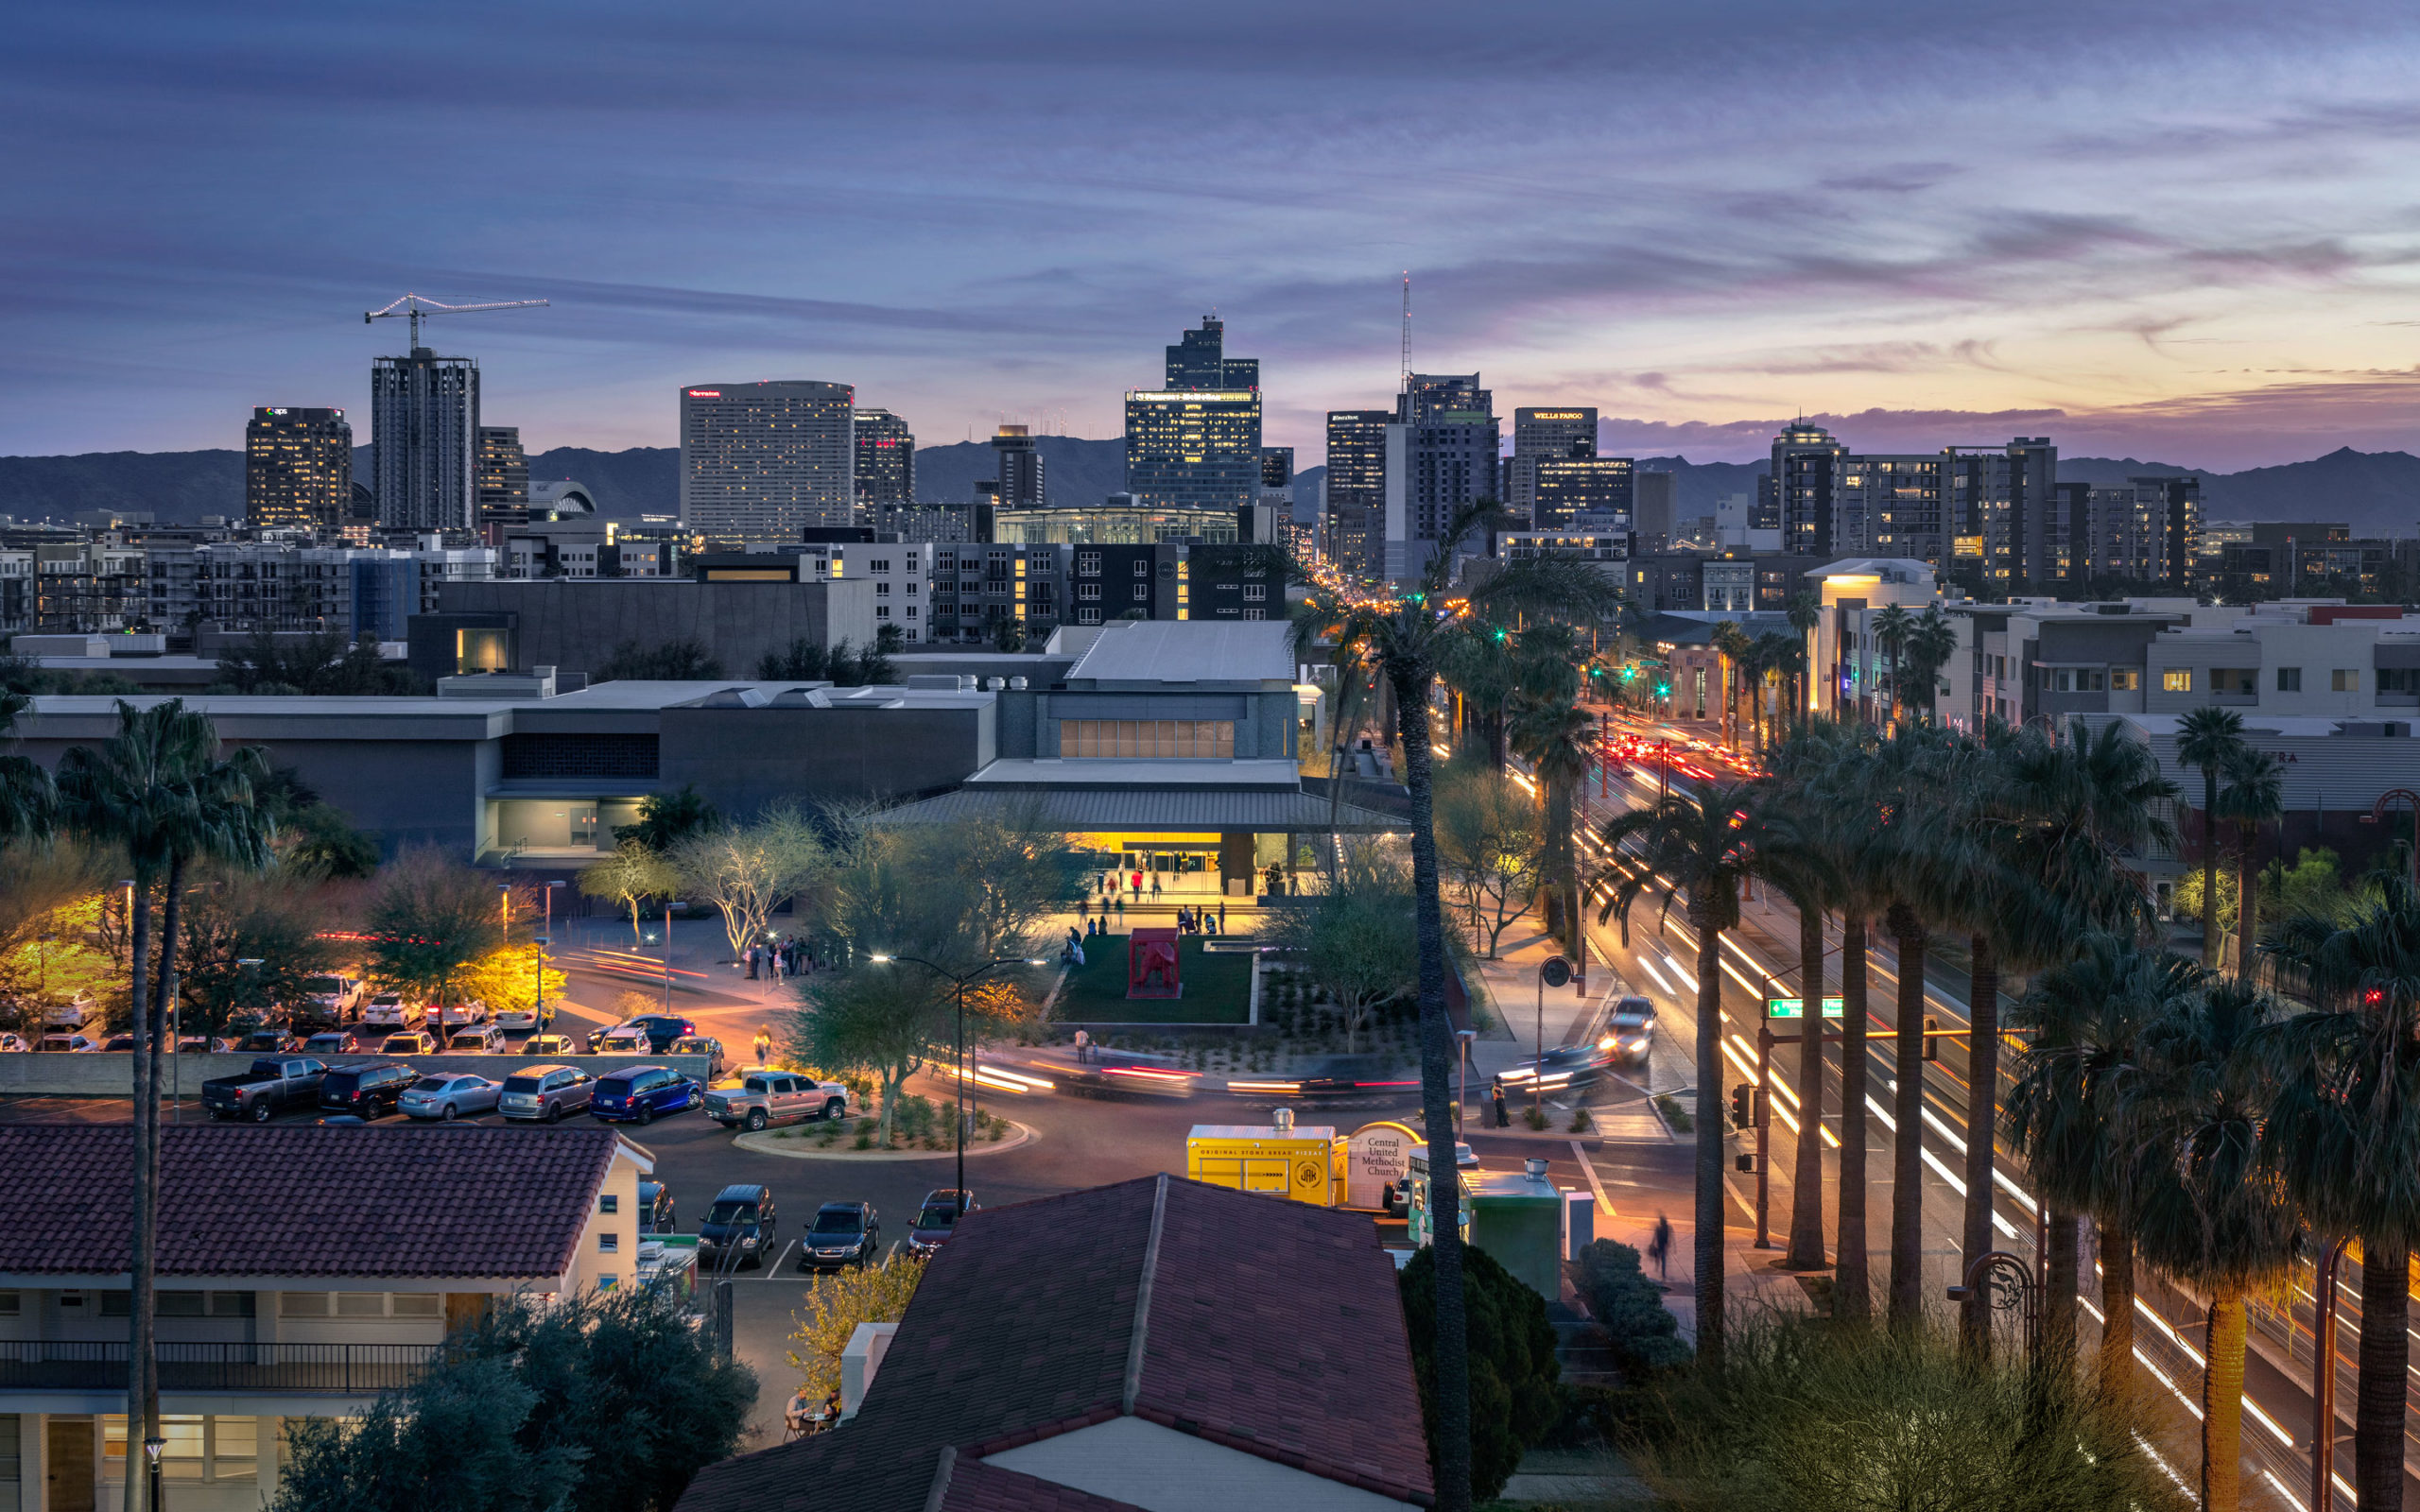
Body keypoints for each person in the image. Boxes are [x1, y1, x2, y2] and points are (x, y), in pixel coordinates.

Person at [1649, 1213, 1674, 1282]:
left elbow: (1669, 1237)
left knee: (1661, 1258)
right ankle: (1661, 1272)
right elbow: (1669, 1237)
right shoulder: (1664, 1227)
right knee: (1661, 1259)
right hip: (1661, 1246)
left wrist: (1652, 1243)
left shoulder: (1664, 1228)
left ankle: (1661, 1272)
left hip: (1661, 1246)